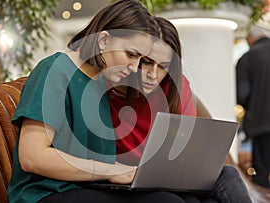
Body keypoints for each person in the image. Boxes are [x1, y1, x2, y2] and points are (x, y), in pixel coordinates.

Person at [7, 0, 189, 202]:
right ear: (103, 41)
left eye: (140, 59)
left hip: (88, 188)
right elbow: (32, 157)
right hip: (46, 193)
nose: (134, 67)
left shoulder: (101, 83)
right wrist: (110, 171)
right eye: (130, 55)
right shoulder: (55, 70)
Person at [106, 16, 252, 203]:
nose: (153, 75)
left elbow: (187, 150)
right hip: (132, 180)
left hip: (174, 176)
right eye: (147, 63)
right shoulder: (113, 88)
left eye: (163, 67)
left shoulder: (176, 88)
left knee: (227, 174)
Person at [236, 25, 270, 189]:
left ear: (250, 39)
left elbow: (242, 94)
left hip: (261, 124)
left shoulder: (248, 58)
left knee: (261, 176)